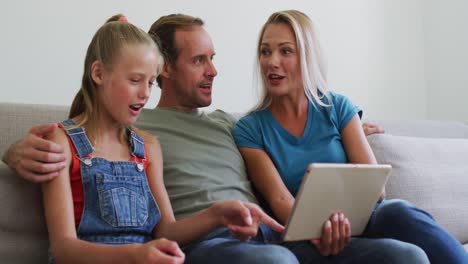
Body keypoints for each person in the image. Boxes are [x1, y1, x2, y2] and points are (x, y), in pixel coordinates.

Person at [2, 13, 415, 264]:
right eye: (199, 60)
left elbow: (289, 133)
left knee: (404, 255)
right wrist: (13, 150)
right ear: (166, 68)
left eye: (213, 58)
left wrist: (351, 125)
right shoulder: (133, 126)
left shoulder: (231, 127)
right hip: (210, 248)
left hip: (260, 233)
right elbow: (80, 137)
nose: (213, 70)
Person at [41, 15, 283, 264]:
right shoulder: (63, 143)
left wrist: (217, 214)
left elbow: (166, 231)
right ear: (98, 73)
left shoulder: (147, 147)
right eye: (135, 80)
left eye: (150, 82)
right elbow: (63, 248)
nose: (145, 93)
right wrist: (135, 255)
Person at [232, 9, 468, 264]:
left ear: (307, 57)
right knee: (407, 256)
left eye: (285, 51)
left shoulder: (338, 107)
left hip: (363, 217)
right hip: (306, 235)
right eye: (265, 51)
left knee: (398, 210)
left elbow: (375, 186)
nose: (272, 61)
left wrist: (345, 216)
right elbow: (280, 200)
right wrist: (323, 227)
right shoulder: (249, 129)